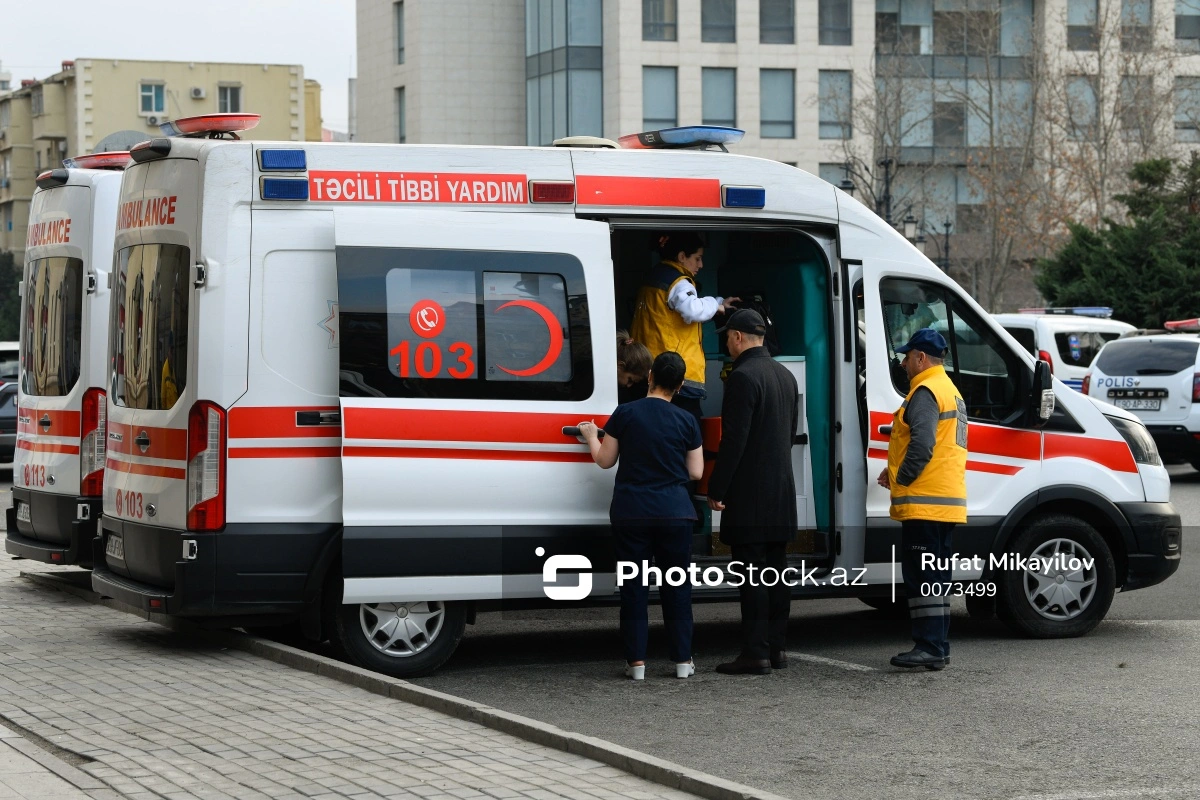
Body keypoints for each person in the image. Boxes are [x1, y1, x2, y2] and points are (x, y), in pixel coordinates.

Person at [578, 351, 704, 680]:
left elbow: (605, 461)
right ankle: (682, 662)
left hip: (631, 513)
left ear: (649, 377)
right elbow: (696, 471)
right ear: (678, 387)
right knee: (677, 588)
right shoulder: (687, 421)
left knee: (634, 588)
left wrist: (593, 436)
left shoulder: (625, 413)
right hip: (675, 514)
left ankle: (636, 664)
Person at [706, 309, 799, 675]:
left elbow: (734, 442)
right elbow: (789, 435)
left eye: (727, 336)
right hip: (781, 491)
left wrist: (717, 488)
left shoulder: (743, 377)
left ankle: (754, 652)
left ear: (740, 337)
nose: (726, 342)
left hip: (750, 496)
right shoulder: (785, 376)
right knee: (777, 574)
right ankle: (777, 649)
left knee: (753, 577)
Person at [876, 327, 968, 671]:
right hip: (943, 502)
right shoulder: (949, 390)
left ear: (921, 358)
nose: (903, 363)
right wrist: (894, 470)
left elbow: (924, 443)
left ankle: (929, 647)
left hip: (926, 505)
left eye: (906, 357)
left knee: (923, 578)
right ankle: (937, 647)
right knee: (937, 578)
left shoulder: (926, 391)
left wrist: (901, 477)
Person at [630, 232, 738, 420]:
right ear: (681, 257)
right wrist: (717, 305)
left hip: (651, 369)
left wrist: (719, 304)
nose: (701, 265)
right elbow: (691, 310)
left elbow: (677, 320)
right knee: (689, 430)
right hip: (675, 374)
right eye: (697, 258)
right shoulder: (678, 282)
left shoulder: (655, 279)